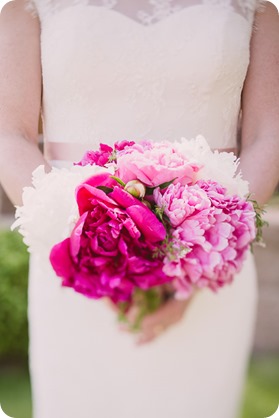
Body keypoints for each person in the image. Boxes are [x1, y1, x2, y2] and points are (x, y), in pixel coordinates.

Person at [0, 1, 278, 417]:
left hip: (208, 259)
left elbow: (267, 135)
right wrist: (91, 250)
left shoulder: (260, 7)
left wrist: (198, 262)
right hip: (77, 265)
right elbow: (9, 134)